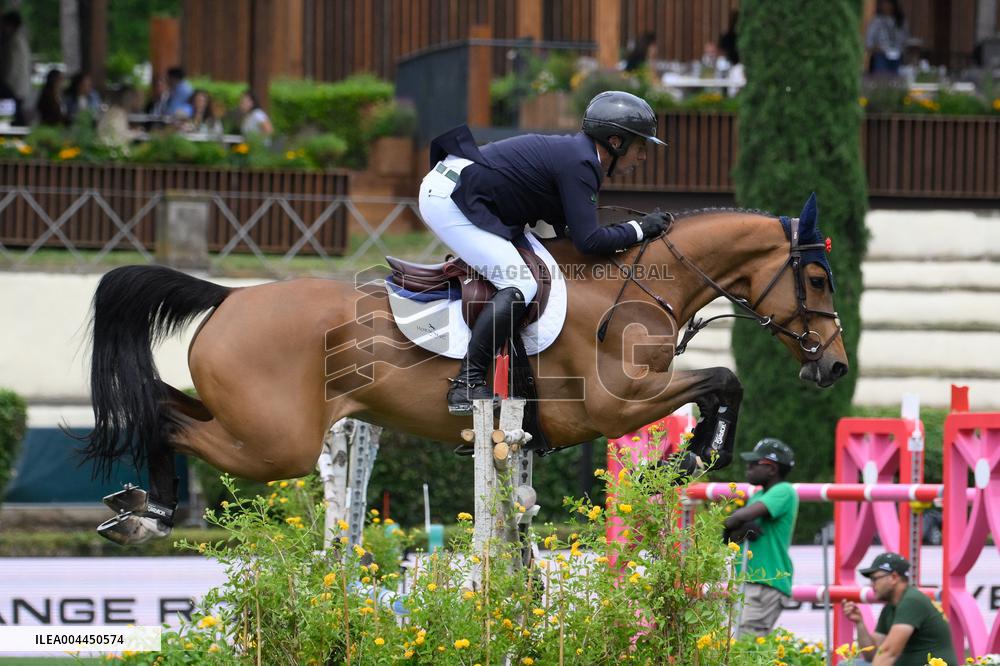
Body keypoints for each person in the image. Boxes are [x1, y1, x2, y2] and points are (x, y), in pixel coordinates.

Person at [419, 90, 669, 415]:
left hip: (476, 195)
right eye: (640, 146)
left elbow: (570, 234)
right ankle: (466, 384)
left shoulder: (580, 157)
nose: (643, 157)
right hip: (450, 199)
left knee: (543, 269)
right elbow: (588, 241)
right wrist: (641, 229)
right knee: (522, 284)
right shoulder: (581, 163)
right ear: (615, 142)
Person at [723, 438, 799, 637]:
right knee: (741, 646)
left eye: (754, 463)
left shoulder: (784, 491)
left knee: (747, 648)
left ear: (772, 468)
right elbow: (730, 536)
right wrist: (737, 527)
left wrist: (735, 523)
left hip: (766, 583)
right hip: (750, 582)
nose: (748, 467)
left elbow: (738, 519)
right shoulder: (757, 496)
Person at [843, 552, 958, 665]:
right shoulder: (891, 607)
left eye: (875, 579)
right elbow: (873, 655)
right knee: (847, 664)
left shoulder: (912, 601)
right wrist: (859, 623)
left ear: (894, 577)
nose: (871, 585)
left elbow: (889, 653)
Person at [0, 11, 31, 119]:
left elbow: (10, 66)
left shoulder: (13, 41)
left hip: (12, 87)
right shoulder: (19, 40)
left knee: (13, 117)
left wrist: (4, 83)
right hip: (18, 88)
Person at [866, 0, 908, 75]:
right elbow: (869, 42)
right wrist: (875, 48)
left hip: (898, 56)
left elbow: (906, 39)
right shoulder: (876, 21)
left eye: (888, 4)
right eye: (883, 4)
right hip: (881, 55)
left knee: (897, 79)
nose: (886, 6)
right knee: (882, 78)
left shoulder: (901, 21)